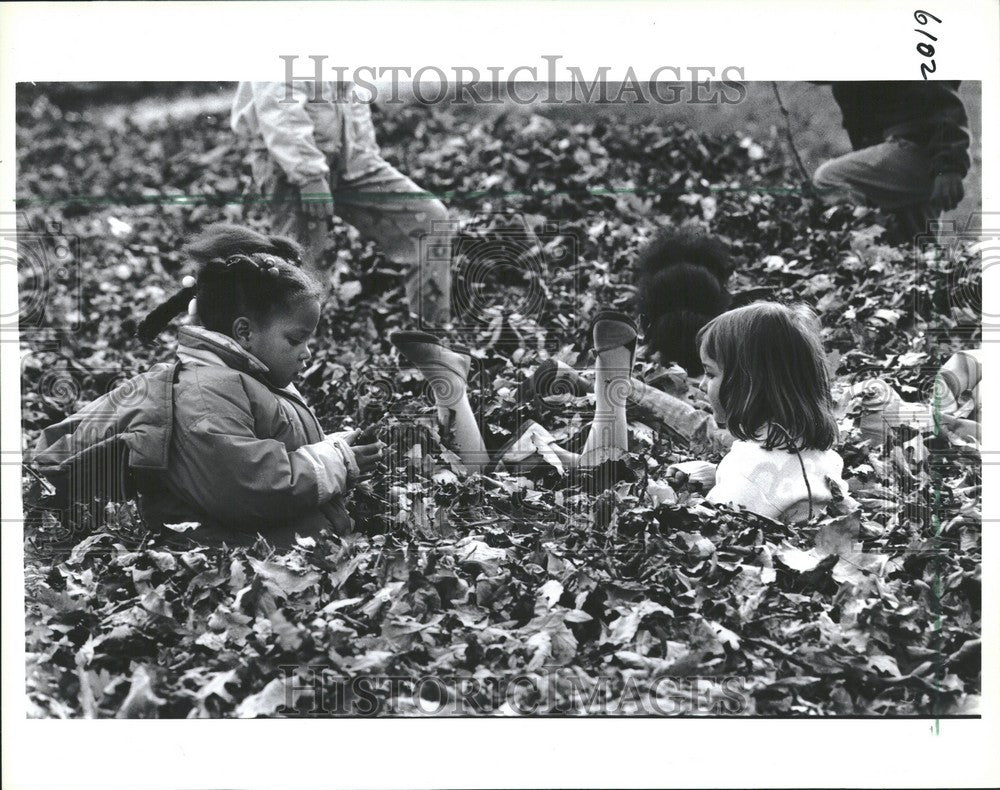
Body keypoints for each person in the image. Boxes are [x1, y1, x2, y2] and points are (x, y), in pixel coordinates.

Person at [32, 224, 384, 547]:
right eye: (295, 339)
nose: (307, 353)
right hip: (229, 550)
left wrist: (339, 450)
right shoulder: (206, 394)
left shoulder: (248, 377)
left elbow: (277, 446)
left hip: (280, 539)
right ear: (244, 333)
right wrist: (338, 461)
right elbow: (249, 490)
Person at [231, 81, 452, 326]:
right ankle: (293, 350)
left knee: (428, 217)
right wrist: (309, 176)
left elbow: (350, 95)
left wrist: (364, 151)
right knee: (300, 267)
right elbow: (279, 107)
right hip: (289, 167)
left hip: (353, 163)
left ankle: (431, 335)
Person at [813, 81, 971, 243]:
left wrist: (948, 166)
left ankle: (858, 255)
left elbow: (942, 95)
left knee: (829, 180)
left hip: (921, 148)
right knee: (914, 246)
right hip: (907, 154)